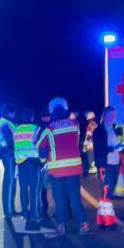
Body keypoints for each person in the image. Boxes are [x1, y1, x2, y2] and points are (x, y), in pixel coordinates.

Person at [39, 98, 86, 236]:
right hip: (74, 168)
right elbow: (76, 140)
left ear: (52, 111)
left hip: (56, 170)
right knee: (75, 198)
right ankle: (84, 225)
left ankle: (61, 226)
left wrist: (43, 160)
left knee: (59, 199)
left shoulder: (49, 128)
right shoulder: (75, 124)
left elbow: (41, 147)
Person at [11, 107, 44, 231]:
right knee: (34, 190)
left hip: (20, 163)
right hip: (32, 161)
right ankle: (34, 215)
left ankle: (25, 213)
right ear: (31, 117)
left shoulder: (17, 130)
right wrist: (42, 162)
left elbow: (15, 145)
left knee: (23, 188)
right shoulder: (36, 129)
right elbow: (40, 146)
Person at [0, 103, 19, 215]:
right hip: (9, 154)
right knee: (9, 182)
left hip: (7, 154)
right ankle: (9, 210)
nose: (15, 114)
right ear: (10, 112)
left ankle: (10, 209)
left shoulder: (5, 122)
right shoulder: (6, 123)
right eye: (14, 112)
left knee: (11, 180)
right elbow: (10, 141)